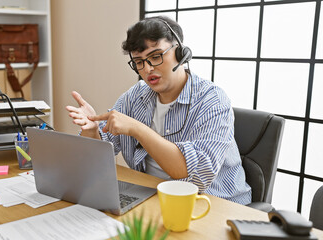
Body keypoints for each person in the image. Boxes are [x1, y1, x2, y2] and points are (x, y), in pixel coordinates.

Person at [66, 16, 251, 205]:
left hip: (215, 203)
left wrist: (137, 129)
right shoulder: (135, 96)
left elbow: (193, 175)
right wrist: (91, 130)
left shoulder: (212, 100)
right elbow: (100, 154)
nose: (147, 69)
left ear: (180, 53)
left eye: (156, 56)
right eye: (139, 61)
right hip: (153, 196)